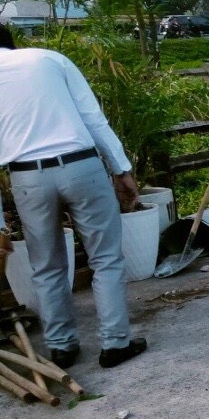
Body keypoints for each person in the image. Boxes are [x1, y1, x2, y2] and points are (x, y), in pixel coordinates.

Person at [0, 23, 148, 369]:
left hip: (26, 176)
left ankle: (61, 347)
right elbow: (93, 118)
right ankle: (115, 344)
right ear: (11, 43)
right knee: (106, 258)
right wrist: (121, 169)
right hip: (81, 167)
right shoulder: (48, 59)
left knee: (46, 264)